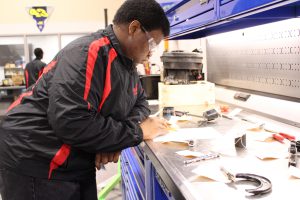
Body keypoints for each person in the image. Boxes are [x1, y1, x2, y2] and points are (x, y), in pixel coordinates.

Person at [0, 0, 170, 199]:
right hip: (37, 157)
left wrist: (114, 141)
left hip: (76, 159)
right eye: (151, 44)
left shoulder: (128, 66)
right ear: (134, 28)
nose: (151, 52)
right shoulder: (88, 53)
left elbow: (140, 103)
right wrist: (137, 132)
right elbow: (71, 122)